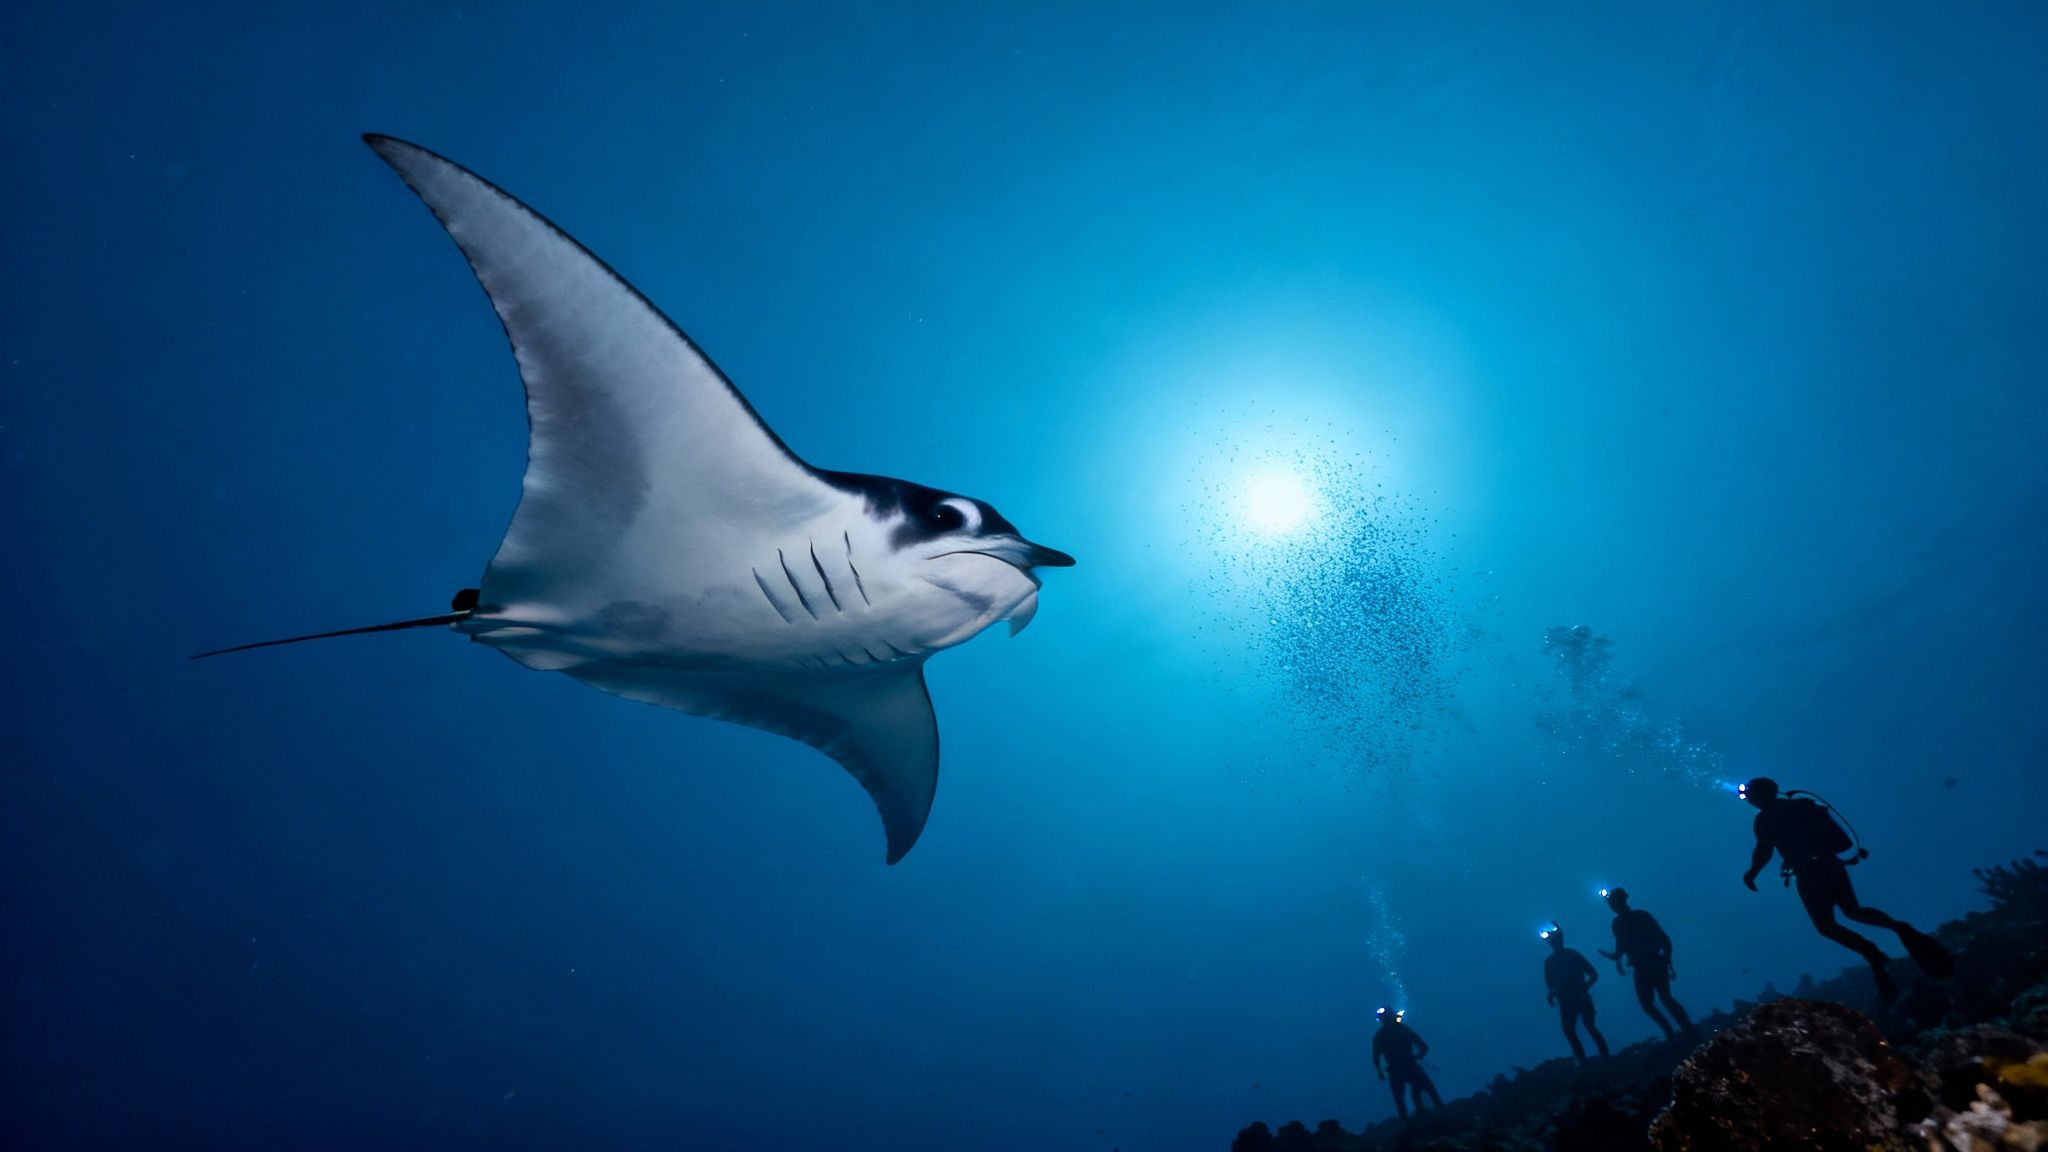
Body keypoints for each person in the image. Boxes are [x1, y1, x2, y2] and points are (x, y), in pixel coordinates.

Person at [1739, 776, 1953, 1002]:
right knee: (1852, 911)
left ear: (1763, 793)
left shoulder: (1766, 820)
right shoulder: (1795, 808)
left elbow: (1764, 850)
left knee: (1827, 925)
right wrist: (1753, 871)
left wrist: (1753, 872)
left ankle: (1873, 951)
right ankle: (1895, 930)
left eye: (1750, 795)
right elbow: (1765, 849)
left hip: (1810, 874)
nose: (1748, 800)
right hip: (1830, 866)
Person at [1597, 887, 1695, 1041]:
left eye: (1613, 903)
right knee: (1661, 1000)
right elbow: (1663, 940)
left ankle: (1679, 1034)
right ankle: (1683, 1032)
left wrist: (1666, 957)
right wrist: (1666, 957)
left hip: (1647, 966)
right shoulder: (1636, 917)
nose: (1612, 906)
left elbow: (1620, 950)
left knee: (1655, 1002)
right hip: (1650, 964)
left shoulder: (1624, 921)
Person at [1541, 924, 1609, 1064]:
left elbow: (1593, 974)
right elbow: (1551, 984)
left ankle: (1605, 1058)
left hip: (1580, 998)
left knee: (1588, 1027)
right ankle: (1584, 1061)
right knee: (1570, 1030)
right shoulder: (1550, 962)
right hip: (1566, 1002)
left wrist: (1584, 988)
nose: (1555, 943)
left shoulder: (1573, 955)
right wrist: (1553, 993)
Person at [1370, 1006, 1442, 1120]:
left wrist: (1380, 1072)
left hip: (1395, 1071)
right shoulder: (1403, 1029)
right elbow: (1424, 1047)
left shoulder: (1379, 1036)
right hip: (1410, 1066)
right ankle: (1439, 1113)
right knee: (1430, 1091)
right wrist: (1418, 1056)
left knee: (1401, 1103)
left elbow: (1376, 1057)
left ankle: (1410, 1122)